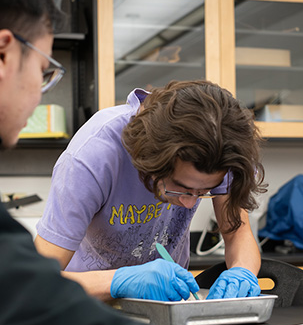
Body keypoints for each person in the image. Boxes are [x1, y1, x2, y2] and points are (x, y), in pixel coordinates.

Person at [0, 0, 303, 325]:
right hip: (93, 322)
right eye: (43, 73)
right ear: (2, 53)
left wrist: (243, 274)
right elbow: (16, 290)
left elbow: (236, 230)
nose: (39, 95)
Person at [34, 80, 265, 302]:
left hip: (165, 308)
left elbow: (236, 232)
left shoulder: (220, 147)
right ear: (150, 160)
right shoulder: (95, 156)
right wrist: (119, 282)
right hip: (87, 306)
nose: (189, 203)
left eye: (204, 191)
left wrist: (242, 271)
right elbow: (37, 282)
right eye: (181, 188)